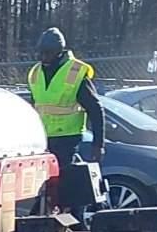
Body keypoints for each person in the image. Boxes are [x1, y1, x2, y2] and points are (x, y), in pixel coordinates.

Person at [27, 27, 104, 162]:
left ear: (59, 52)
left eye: (48, 53)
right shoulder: (35, 72)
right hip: (42, 138)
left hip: (68, 137)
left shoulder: (75, 71)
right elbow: (34, 107)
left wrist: (98, 145)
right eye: (41, 53)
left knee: (63, 178)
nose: (44, 57)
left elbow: (95, 109)